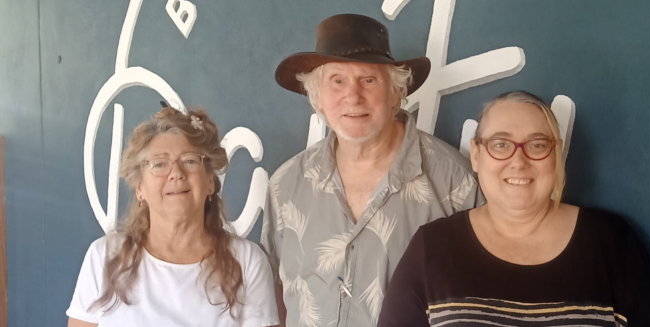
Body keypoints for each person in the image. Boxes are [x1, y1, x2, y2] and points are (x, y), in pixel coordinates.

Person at [378, 91, 650, 327]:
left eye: (536, 145)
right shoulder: (432, 247)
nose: (518, 161)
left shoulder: (612, 242)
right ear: (477, 155)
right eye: (500, 144)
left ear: (556, 155)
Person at [263, 13, 483, 327]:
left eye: (368, 80)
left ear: (396, 92)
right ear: (318, 97)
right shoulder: (285, 184)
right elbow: (275, 293)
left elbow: (481, 300)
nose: (353, 96)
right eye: (337, 81)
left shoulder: (454, 183)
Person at [67, 106, 279, 327]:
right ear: (139, 187)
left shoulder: (247, 262)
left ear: (210, 182)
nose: (176, 173)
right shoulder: (105, 257)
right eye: (159, 164)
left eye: (190, 161)